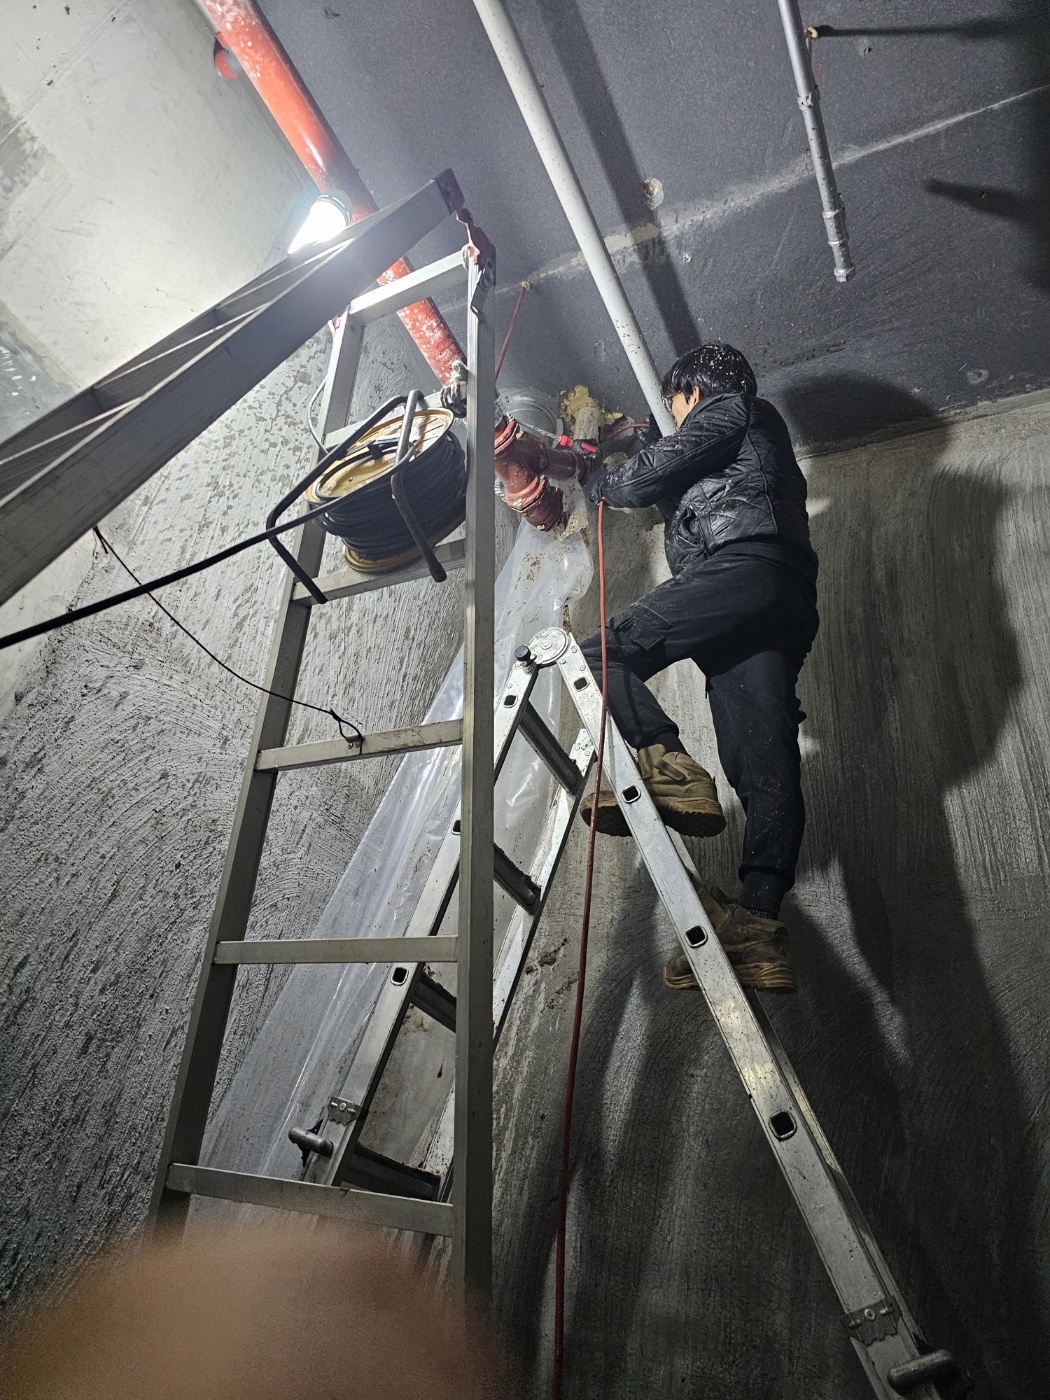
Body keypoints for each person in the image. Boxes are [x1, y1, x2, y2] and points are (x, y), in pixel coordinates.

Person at [579, 344, 819, 994]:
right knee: (760, 757)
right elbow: (680, 486)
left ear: (692, 391)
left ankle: (668, 762)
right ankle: (757, 922)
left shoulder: (733, 409)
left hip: (745, 567)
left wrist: (597, 479)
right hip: (775, 593)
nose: (675, 417)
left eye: (675, 404)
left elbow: (640, 480)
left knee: (599, 652)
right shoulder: (746, 445)